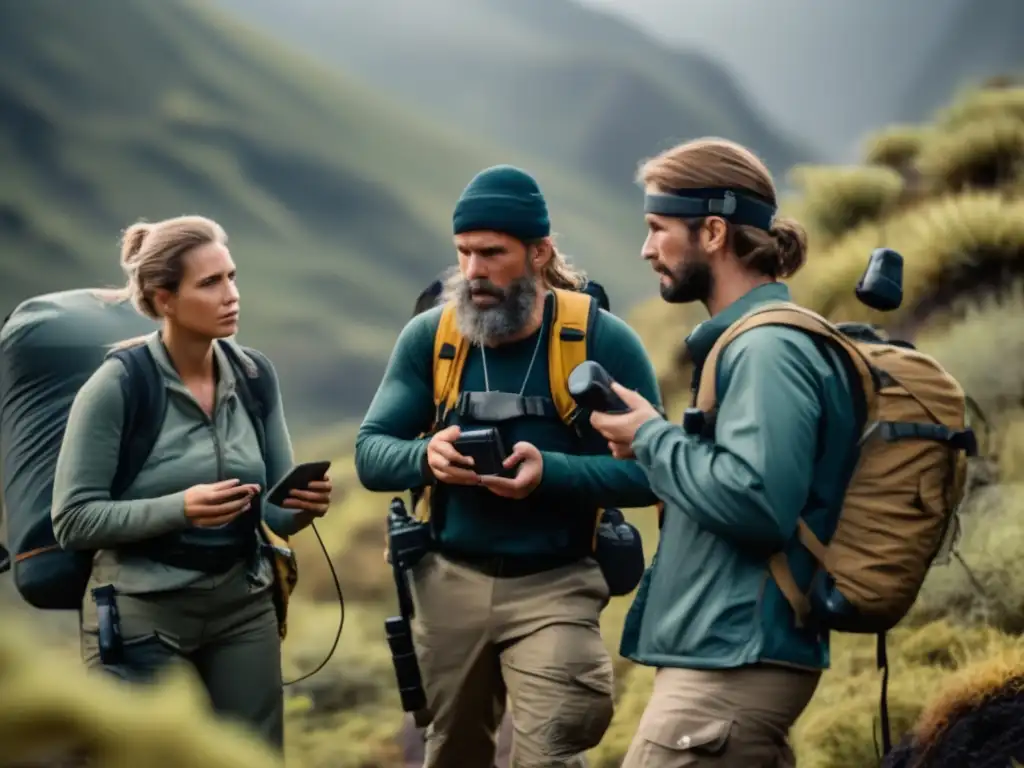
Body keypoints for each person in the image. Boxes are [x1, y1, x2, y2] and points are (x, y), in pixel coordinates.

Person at [356, 164, 662, 768]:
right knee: (452, 753)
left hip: (558, 582)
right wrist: (428, 456)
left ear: (539, 252)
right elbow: (371, 452)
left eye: (492, 253)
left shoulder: (601, 340)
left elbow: (652, 471)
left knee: (551, 751)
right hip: (446, 582)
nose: (473, 272)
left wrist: (549, 471)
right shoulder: (431, 338)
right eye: (464, 253)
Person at [590, 138, 860, 767]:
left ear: (713, 231)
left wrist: (653, 440)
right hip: (725, 662)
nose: (646, 247)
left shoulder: (767, 350)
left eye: (659, 228)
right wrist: (659, 444)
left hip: (731, 667)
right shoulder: (750, 343)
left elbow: (758, 500)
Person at [49, 215, 333, 751]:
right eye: (210, 283)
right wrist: (181, 508)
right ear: (164, 299)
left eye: (231, 276)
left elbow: (271, 515)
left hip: (242, 605)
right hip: (142, 610)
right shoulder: (117, 387)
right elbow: (73, 520)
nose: (232, 295)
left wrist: (302, 507)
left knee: (252, 759)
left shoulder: (254, 375)